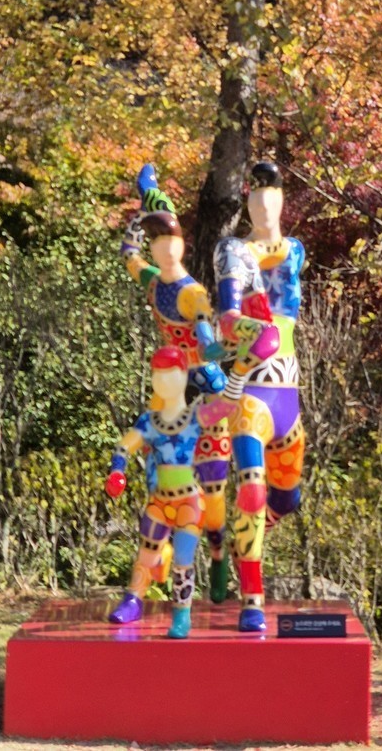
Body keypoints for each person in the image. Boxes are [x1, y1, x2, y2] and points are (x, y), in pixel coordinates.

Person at [120, 168, 232, 602]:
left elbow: (207, 336)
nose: (162, 248)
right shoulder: (151, 281)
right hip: (170, 379)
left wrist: (214, 343)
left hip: (202, 380)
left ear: (182, 244)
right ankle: (154, 562)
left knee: (214, 479)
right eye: (156, 240)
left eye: (169, 239)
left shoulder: (192, 293)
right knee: (156, 466)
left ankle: (218, 553)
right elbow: (129, 256)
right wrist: (140, 210)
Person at [213, 161, 306, 632]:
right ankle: (252, 597)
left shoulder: (294, 250)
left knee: (287, 499)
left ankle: (238, 541)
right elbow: (227, 318)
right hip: (252, 395)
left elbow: (278, 260)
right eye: (256, 198)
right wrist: (241, 321)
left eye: (273, 198)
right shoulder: (233, 251)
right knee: (252, 489)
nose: (265, 207)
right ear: (247, 203)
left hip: (288, 395)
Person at [105, 346, 242, 637]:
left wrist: (239, 369)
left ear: (183, 376)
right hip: (159, 501)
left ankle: (182, 616)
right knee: (146, 552)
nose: (163, 381)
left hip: (189, 502)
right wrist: (118, 470)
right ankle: (133, 601)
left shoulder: (195, 417)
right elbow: (123, 446)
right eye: (158, 375)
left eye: (170, 374)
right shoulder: (149, 422)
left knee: (183, 559)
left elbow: (228, 405)